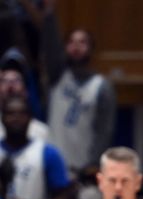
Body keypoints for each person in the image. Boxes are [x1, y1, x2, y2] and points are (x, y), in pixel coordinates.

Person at [41, 8, 116, 173]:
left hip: (83, 165)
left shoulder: (101, 86)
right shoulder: (57, 76)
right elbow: (50, 48)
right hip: (53, 160)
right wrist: (49, 14)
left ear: (91, 48)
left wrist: (95, 163)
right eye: (71, 42)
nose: (76, 46)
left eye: (82, 42)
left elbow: (104, 130)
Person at [0, 95, 72, 199]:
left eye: (21, 114)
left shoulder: (47, 152)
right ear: (2, 118)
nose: (16, 118)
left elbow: (64, 197)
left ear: (30, 119)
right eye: (10, 114)